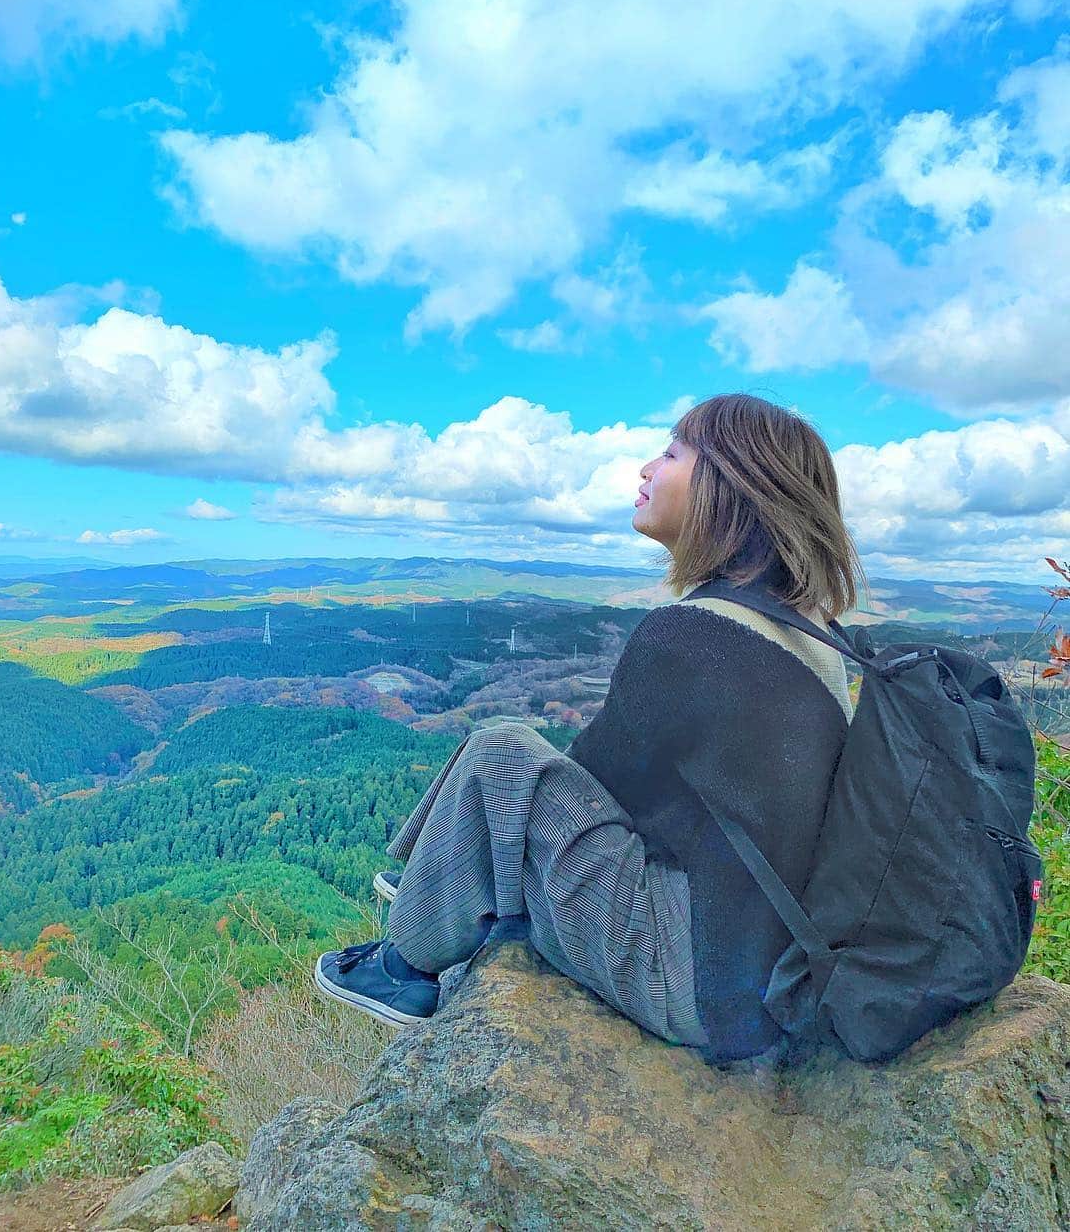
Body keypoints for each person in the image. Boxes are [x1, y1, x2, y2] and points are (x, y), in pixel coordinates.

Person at [314, 393, 869, 1067]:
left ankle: (402, 970)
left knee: (504, 751)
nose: (645, 468)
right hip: (773, 975)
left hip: (701, 983)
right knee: (511, 762)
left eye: (670, 453)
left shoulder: (697, 636)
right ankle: (441, 884)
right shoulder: (818, 637)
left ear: (729, 486)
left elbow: (588, 786)